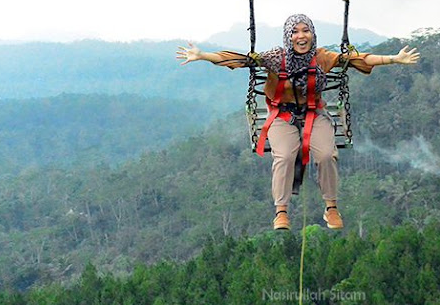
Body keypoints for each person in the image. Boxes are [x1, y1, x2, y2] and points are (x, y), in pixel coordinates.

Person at [176, 14, 419, 230]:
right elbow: (241, 60)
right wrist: (203, 56)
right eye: (295, 32)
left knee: (326, 155)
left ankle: (331, 207)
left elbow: (358, 59)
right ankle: (281, 211)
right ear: (288, 36)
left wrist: (393, 59)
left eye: (306, 31)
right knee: (284, 156)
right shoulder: (275, 58)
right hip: (282, 115)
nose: (301, 36)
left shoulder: (322, 57)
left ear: (313, 34)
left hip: (314, 113)